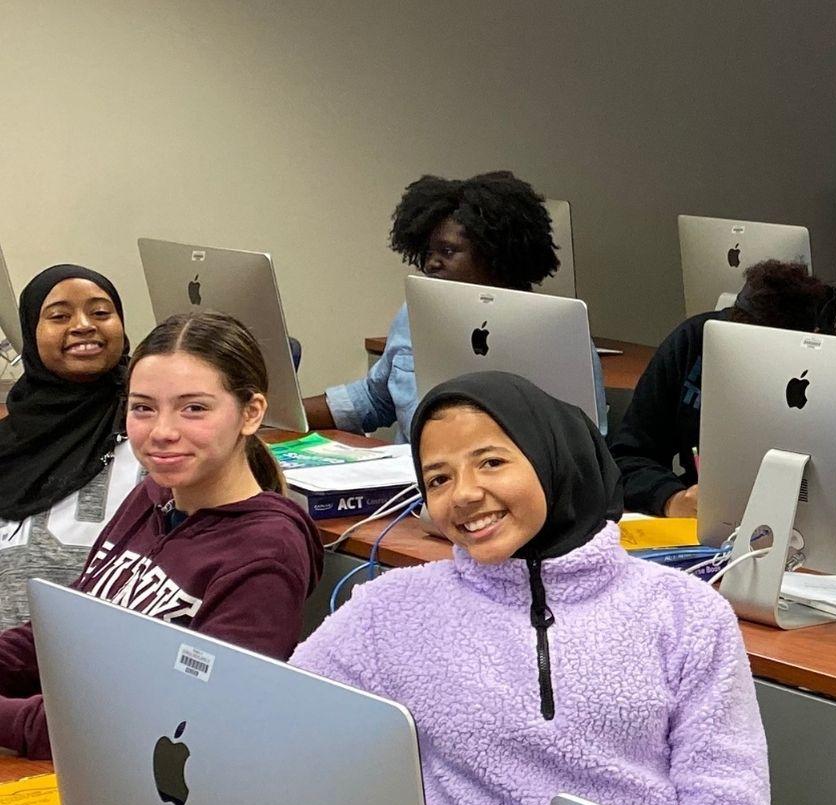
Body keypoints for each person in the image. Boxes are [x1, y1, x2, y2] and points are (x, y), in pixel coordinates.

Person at [292, 371, 771, 805]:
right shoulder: (391, 610)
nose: (463, 495)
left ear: (554, 456)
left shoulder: (682, 612)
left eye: (490, 462)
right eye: (438, 478)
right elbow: (279, 719)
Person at [0, 312, 323, 758]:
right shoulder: (153, 495)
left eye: (194, 408)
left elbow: (173, 721)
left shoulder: (267, 554)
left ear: (251, 413)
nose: (162, 433)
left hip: (138, 780)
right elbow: (63, 631)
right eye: (143, 408)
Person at [302, 170, 605, 440]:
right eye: (429, 251)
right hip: (409, 488)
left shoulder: (557, 332)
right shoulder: (417, 313)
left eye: (448, 251)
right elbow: (376, 399)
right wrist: (281, 412)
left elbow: (585, 444)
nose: (432, 262)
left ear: (494, 255)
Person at [611, 259, 836, 517]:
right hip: (708, 513)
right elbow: (628, 457)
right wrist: (671, 498)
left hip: (808, 517)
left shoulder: (830, 371)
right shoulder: (695, 343)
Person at [0, 265, 147, 626]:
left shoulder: (149, 427)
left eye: (100, 312)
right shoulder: (9, 440)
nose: (83, 325)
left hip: (102, 651)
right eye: (59, 316)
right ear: (31, 334)